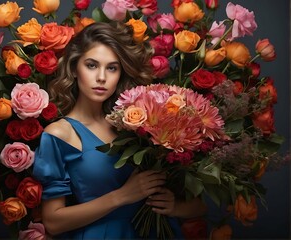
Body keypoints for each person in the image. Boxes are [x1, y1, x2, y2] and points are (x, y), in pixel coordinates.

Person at [32, 21, 207, 239]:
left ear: (120, 73)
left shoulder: (136, 123)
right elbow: (53, 222)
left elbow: (200, 207)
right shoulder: (60, 134)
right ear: (75, 68)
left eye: (112, 68)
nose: (102, 77)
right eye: (92, 65)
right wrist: (122, 196)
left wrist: (174, 206)